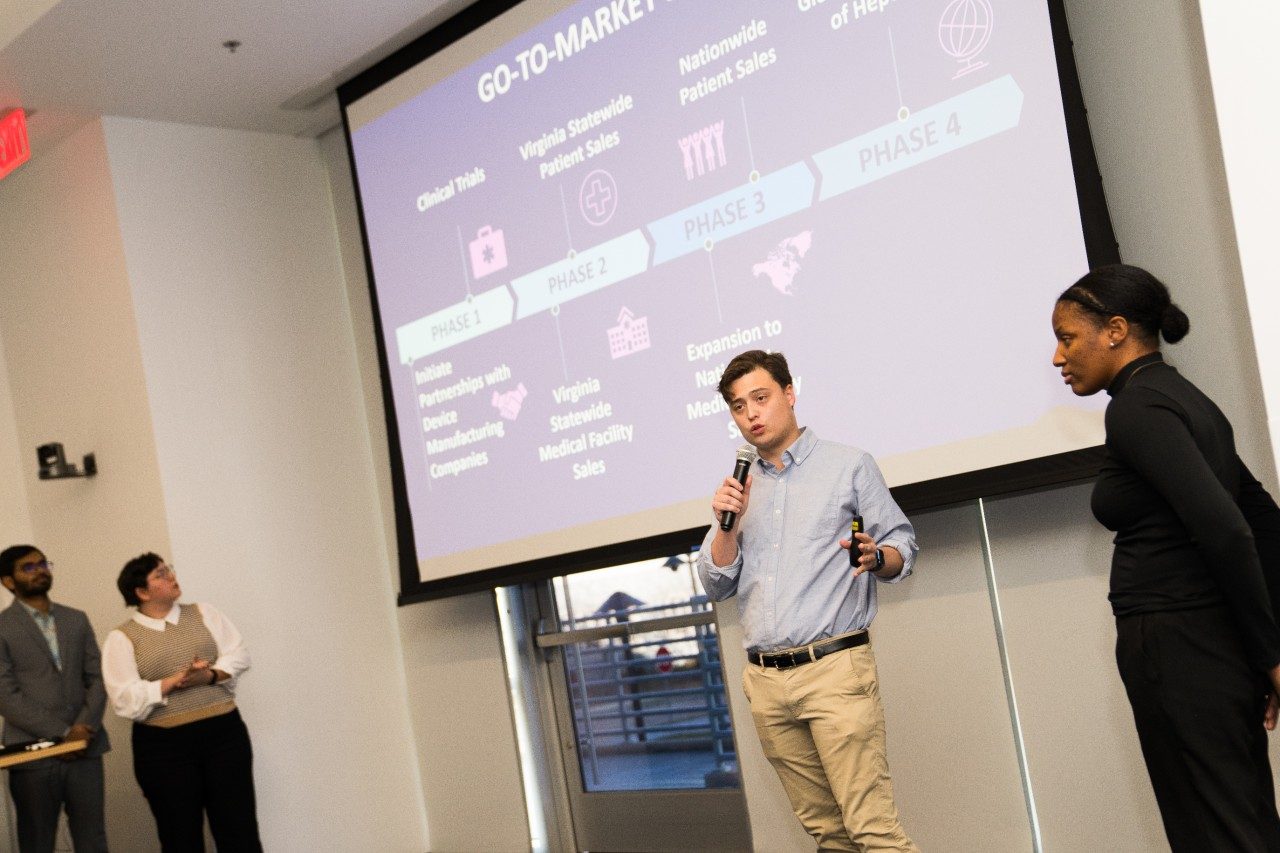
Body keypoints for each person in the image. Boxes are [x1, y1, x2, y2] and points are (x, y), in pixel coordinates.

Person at [1052, 263, 1280, 851]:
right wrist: (1264, 651)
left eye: (1067, 337)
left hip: (1177, 648)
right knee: (1241, 816)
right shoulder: (1185, 397)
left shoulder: (1136, 407)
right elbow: (1264, 522)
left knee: (1214, 829)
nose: (1058, 356)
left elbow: (1231, 531)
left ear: (1116, 330)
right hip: (1213, 644)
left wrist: (1272, 655)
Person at [696, 349, 919, 852]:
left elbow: (902, 550)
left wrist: (874, 555)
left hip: (834, 672)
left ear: (790, 394)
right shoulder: (739, 489)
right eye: (737, 406)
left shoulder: (848, 466)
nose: (750, 414)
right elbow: (716, 584)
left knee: (873, 832)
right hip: (767, 683)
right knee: (829, 836)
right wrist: (727, 525)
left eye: (760, 397)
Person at [101, 553, 262, 853]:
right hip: (164, 747)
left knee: (239, 829)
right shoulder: (122, 638)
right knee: (180, 836)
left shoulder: (204, 613)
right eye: (160, 575)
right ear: (141, 592)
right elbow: (123, 699)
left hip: (224, 734)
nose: (171, 577)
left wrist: (210, 676)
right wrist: (171, 683)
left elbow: (238, 654)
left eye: (168, 570)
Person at [0, 545, 110, 853]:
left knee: (93, 840)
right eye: (29, 567)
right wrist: (64, 735)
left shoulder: (76, 619)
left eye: (43, 564)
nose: (41, 570)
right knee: (37, 842)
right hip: (31, 753)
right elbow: (5, 695)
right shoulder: (2, 626)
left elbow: (98, 677)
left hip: (86, 748)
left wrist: (83, 729)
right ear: (9, 581)